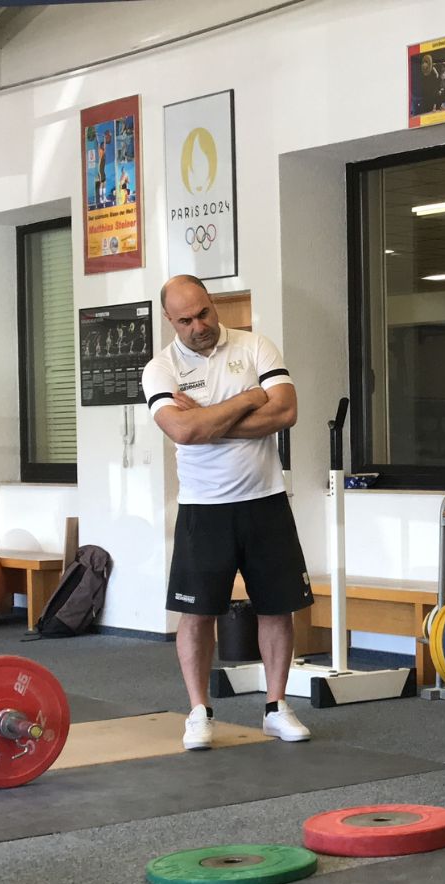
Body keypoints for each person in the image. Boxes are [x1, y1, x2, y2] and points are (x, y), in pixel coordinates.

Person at [141, 275, 312, 750]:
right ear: (170, 321)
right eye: (185, 320)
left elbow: (285, 413)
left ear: (213, 305)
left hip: (264, 499)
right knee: (196, 616)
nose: (199, 326)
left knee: (277, 609)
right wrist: (246, 399)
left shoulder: (256, 346)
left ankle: (276, 707)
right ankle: (199, 712)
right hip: (204, 508)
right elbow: (183, 432)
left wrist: (209, 416)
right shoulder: (161, 368)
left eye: (204, 314)